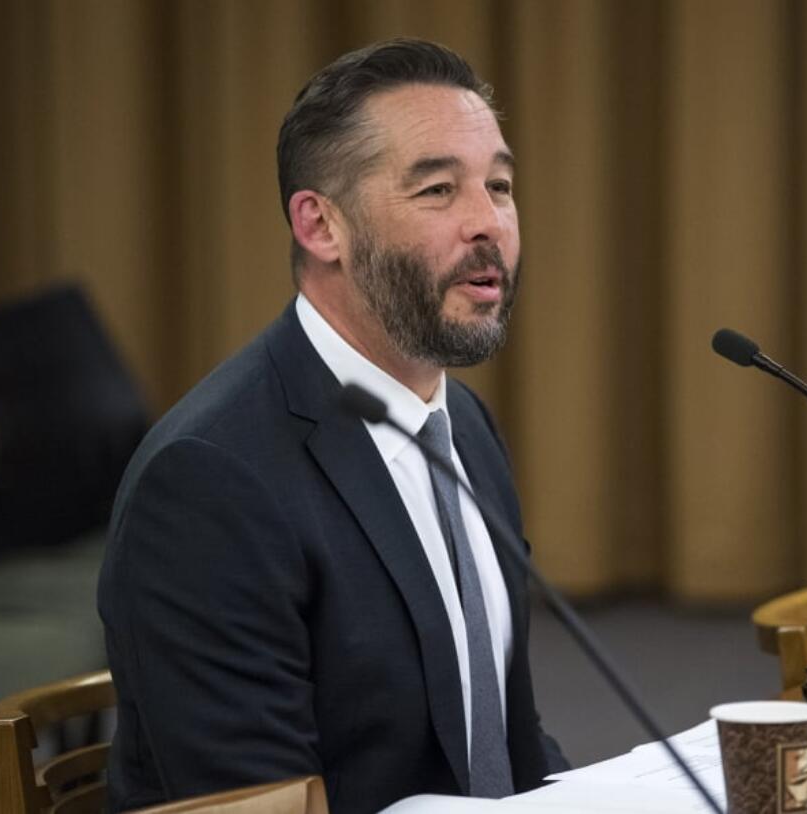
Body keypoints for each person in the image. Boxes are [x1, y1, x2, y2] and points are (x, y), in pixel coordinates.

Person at [98, 38, 567, 813]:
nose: (490, 224)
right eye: (438, 191)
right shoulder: (209, 481)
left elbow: (511, 747)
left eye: (501, 186)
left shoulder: (464, 430)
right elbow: (255, 800)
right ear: (321, 227)